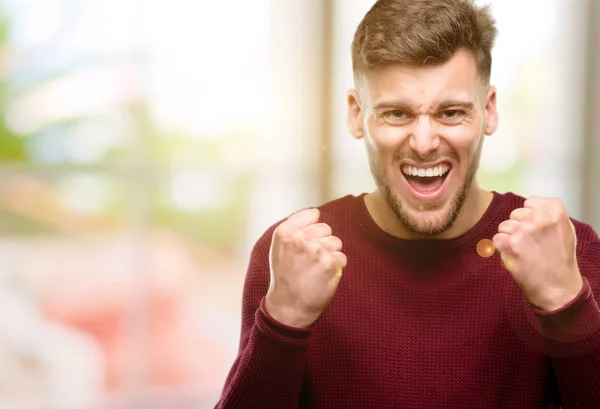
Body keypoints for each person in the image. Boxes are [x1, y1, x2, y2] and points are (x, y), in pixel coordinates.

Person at [215, 0, 600, 407]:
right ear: (355, 113)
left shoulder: (567, 249)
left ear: (488, 110)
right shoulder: (290, 254)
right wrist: (283, 320)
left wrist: (566, 302)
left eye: (451, 113)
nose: (424, 143)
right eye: (396, 114)